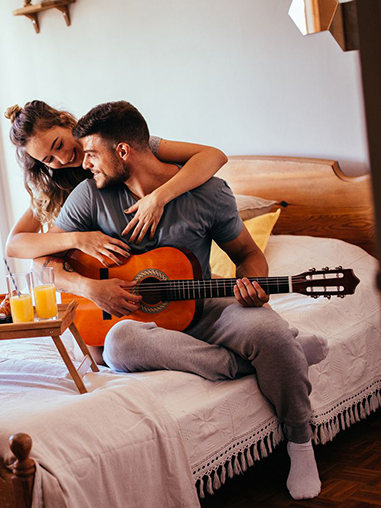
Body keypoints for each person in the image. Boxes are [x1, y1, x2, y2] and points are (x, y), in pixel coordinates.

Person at [40, 101, 324, 500]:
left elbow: (246, 254)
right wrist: (88, 288)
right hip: (138, 325)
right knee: (119, 344)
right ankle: (262, 362)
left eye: (91, 154)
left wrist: (254, 284)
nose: (83, 164)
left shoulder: (207, 193)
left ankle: (300, 443)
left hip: (205, 307)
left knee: (271, 335)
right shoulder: (89, 197)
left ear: (123, 151)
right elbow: (44, 264)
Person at [3, 101, 228, 266]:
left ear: (65, 121)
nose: (62, 159)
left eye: (59, 144)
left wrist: (157, 198)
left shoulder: (127, 148)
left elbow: (213, 156)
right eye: (48, 160)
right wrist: (78, 239)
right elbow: (14, 245)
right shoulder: (58, 186)